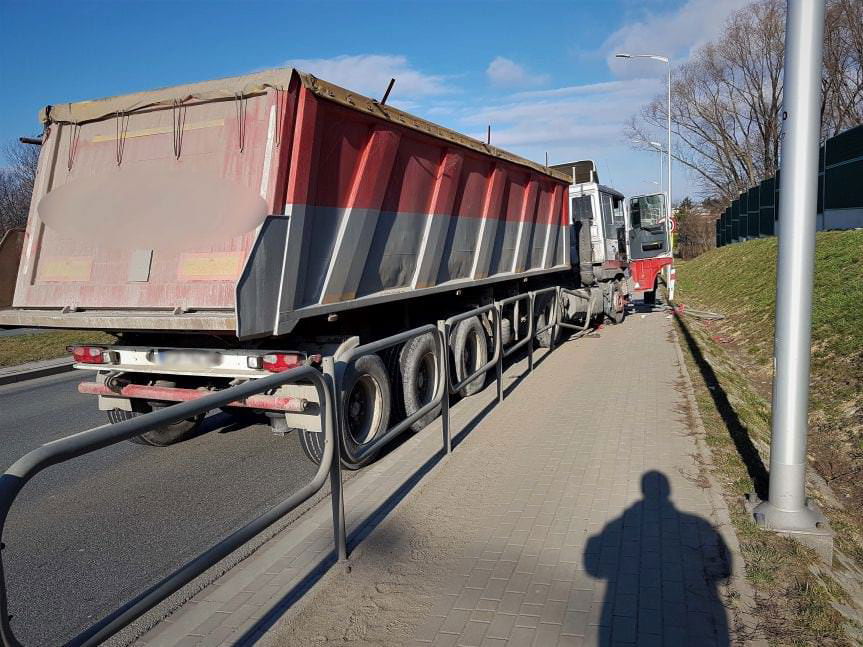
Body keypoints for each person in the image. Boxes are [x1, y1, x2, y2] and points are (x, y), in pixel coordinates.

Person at [584, 470, 730, 645]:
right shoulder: (699, 523)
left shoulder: (616, 524)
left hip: (617, 604)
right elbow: (724, 572)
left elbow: (593, 570)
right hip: (702, 616)